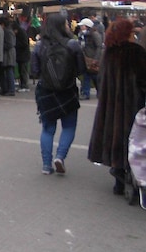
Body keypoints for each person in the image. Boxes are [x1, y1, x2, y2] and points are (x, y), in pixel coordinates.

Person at [88, 18, 146, 195]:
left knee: (115, 138)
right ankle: (134, 183)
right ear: (128, 33)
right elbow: (143, 79)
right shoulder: (136, 52)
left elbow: (101, 79)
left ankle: (118, 182)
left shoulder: (109, 53)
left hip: (110, 106)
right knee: (133, 142)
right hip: (131, 105)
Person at [31, 13, 85, 175]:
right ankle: (60, 157)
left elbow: (34, 71)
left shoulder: (39, 46)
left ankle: (46, 165)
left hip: (46, 91)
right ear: (63, 26)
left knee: (48, 129)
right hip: (68, 91)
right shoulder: (73, 45)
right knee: (69, 126)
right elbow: (82, 69)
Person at [77, 18, 103, 100]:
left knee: (95, 76)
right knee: (87, 76)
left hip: (92, 58)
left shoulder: (95, 34)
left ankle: (99, 92)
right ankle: (86, 93)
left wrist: (96, 59)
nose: (81, 27)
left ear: (87, 26)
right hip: (85, 58)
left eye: (82, 25)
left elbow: (99, 47)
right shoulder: (81, 35)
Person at [0, 16, 16, 96]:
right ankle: (6, 89)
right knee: (8, 71)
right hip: (8, 54)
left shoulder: (7, 31)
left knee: (9, 72)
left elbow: (10, 43)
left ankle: (11, 90)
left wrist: (1, 46)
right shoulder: (8, 30)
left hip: (8, 54)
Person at [12, 20, 31, 92]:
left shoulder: (21, 33)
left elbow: (24, 44)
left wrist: (16, 45)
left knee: (23, 71)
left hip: (23, 56)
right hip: (21, 56)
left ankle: (24, 86)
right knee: (21, 70)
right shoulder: (21, 32)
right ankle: (22, 84)